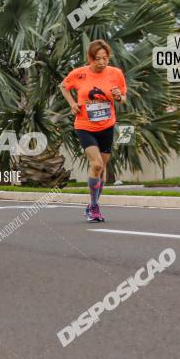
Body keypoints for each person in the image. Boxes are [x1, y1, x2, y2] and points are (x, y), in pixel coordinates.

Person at [59, 39, 126, 223]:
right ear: (90, 58)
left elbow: (123, 98)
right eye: (97, 59)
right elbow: (63, 86)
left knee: (102, 168)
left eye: (105, 58)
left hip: (107, 126)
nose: (102, 63)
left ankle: (93, 204)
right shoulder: (79, 74)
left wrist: (119, 96)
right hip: (85, 126)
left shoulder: (116, 74)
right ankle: (94, 206)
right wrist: (72, 103)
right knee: (96, 164)